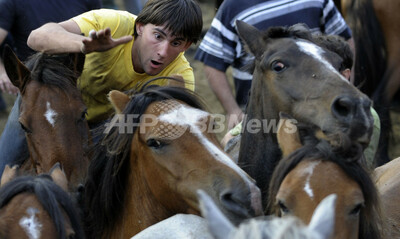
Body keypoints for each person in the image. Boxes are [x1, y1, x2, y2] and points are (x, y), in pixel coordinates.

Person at [0, 0, 203, 176]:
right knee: (5, 165)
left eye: (176, 43)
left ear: (186, 47)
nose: (163, 51)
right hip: (47, 107)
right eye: (158, 36)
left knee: (89, 188)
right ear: (140, 27)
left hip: (102, 128)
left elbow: (170, 135)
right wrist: (82, 44)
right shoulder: (112, 24)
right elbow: (36, 38)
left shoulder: (179, 76)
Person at [194, 0, 354, 129]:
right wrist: (233, 110)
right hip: (262, 119)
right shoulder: (233, 6)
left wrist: (346, 88)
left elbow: (345, 41)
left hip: (320, 112)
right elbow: (213, 63)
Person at [0, 0, 102, 175]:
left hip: (78, 86)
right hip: (32, 89)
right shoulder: (12, 1)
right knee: (5, 162)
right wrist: (2, 71)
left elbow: (99, 35)